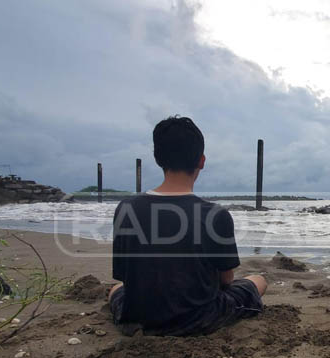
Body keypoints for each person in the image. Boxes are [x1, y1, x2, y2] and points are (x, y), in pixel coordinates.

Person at [108, 116, 267, 336]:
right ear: (201, 161)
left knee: (116, 290)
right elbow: (227, 280)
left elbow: (125, 276)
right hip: (198, 319)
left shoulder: (125, 208)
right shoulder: (215, 215)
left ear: (157, 158)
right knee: (258, 281)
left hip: (138, 317)